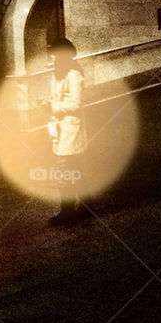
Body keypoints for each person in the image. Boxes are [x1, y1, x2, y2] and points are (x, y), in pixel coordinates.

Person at [47, 38, 89, 226]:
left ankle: (67, 211)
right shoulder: (58, 73)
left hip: (71, 128)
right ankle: (86, 206)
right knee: (75, 168)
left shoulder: (73, 75)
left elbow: (75, 103)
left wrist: (52, 106)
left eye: (55, 54)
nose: (52, 57)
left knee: (64, 169)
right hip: (61, 128)